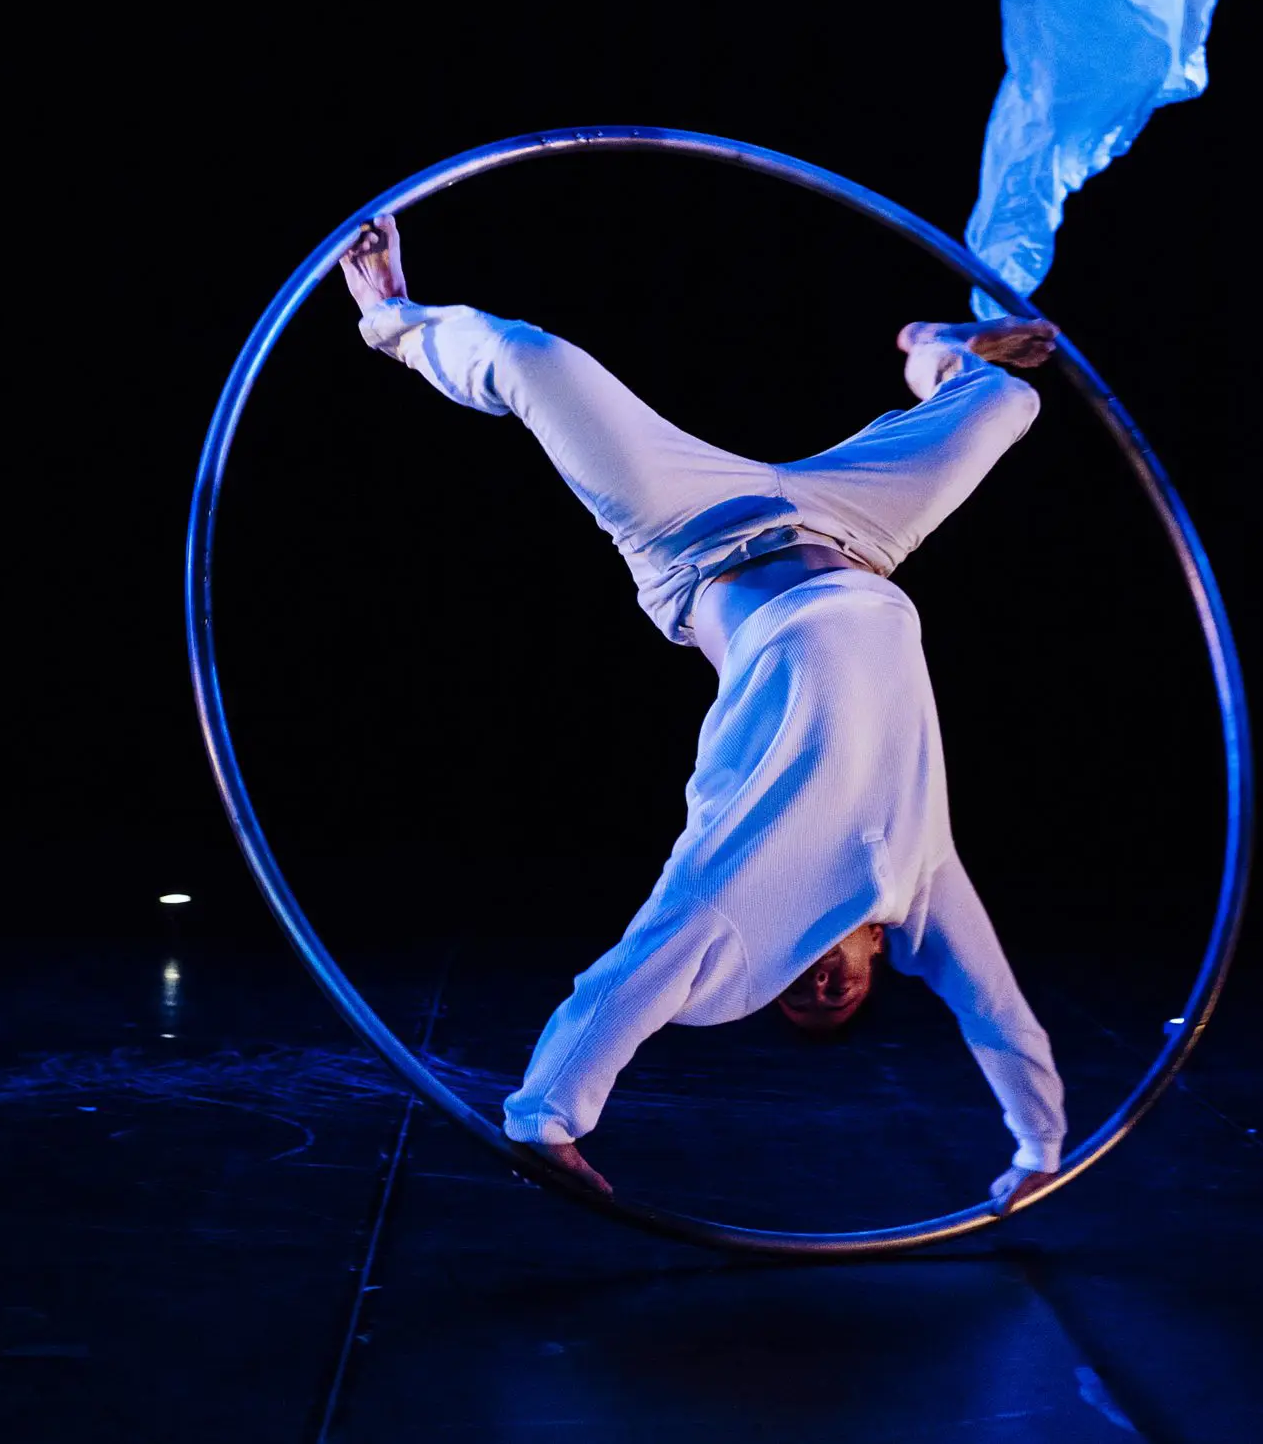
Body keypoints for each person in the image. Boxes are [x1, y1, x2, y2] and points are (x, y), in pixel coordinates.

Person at [338, 214, 1067, 1211]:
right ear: (875, 964)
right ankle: (941, 353)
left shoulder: (735, 897)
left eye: (797, 1004)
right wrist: (1038, 1149)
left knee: (527, 357)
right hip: (855, 531)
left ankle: (389, 315)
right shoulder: (920, 881)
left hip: (691, 540)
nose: (819, 994)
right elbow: (998, 1016)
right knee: (1008, 404)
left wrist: (544, 1124)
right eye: (837, 1002)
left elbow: (623, 987)